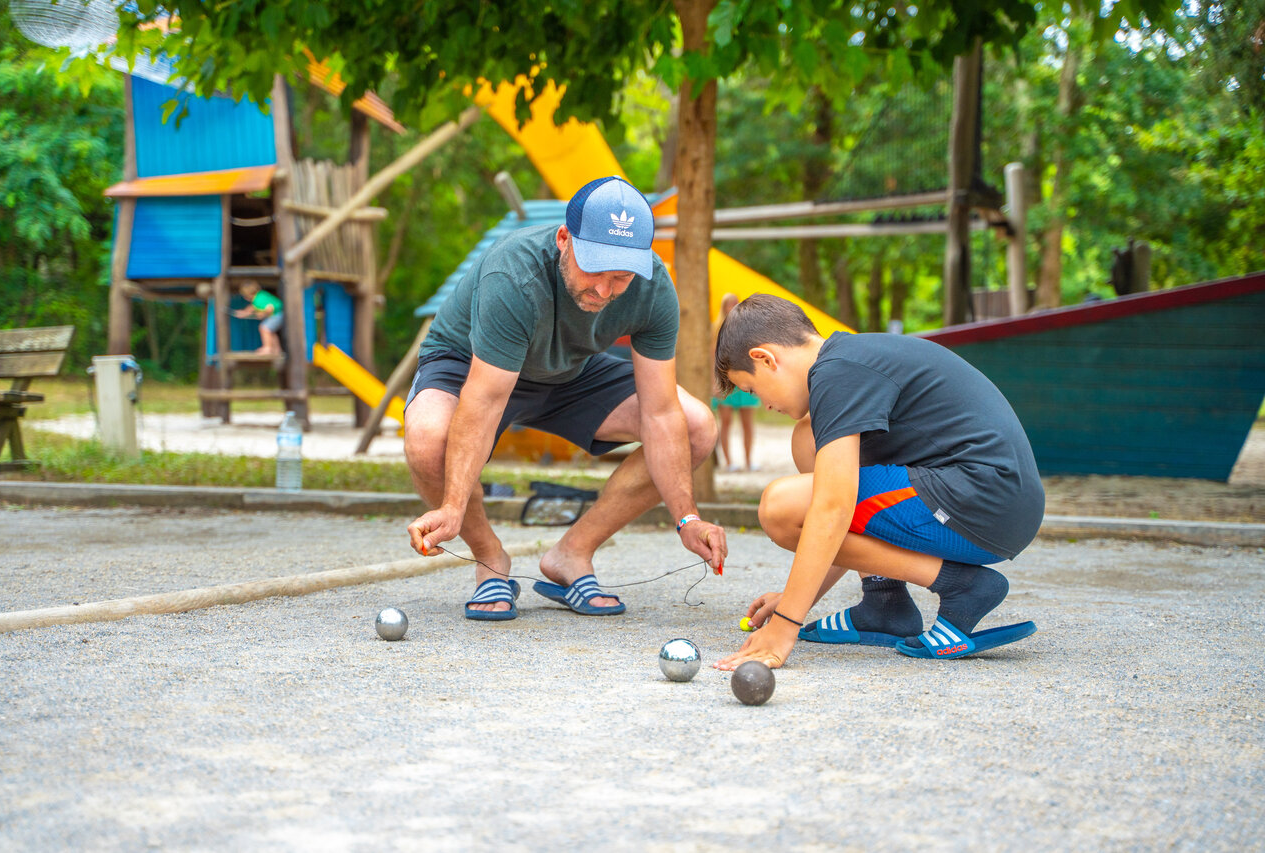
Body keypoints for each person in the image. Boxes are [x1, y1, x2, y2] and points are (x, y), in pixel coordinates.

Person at [404, 176, 728, 621]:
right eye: (593, 268)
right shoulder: (513, 275)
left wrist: (687, 517)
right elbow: (483, 400)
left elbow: (660, 411)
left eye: (620, 277)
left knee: (696, 426)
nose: (603, 289)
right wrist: (453, 506)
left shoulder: (652, 288)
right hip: (471, 364)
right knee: (427, 440)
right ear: (563, 239)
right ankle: (489, 559)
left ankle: (572, 554)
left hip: (570, 370)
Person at [711, 294, 1044, 669]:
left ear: (765, 358)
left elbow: (833, 508)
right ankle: (884, 602)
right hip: (990, 501)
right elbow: (841, 511)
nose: (763, 404)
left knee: (781, 509)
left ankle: (963, 587)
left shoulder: (837, 373)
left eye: (753, 390)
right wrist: (794, 595)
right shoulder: (847, 360)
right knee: (808, 440)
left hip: (984, 498)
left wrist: (786, 624)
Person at [711, 293, 759, 471]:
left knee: (747, 423)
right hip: (725, 382)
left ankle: (748, 461)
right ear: (723, 306)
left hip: (745, 381)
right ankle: (729, 462)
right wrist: (714, 382)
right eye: (728, 304)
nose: (732, 306)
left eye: (734, 303)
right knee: (726, 421)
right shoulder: (717, 330)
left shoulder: (747, 329)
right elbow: (712, 358)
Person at [233, 282, 283, 354]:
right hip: (279, 314)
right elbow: (252, 307)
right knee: (270, 332)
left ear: (247, 296)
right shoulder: (259, 296)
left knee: (264, 328)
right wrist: (243, 313)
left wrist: (263, 314)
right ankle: (276, 349)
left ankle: (267, 348)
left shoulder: (258, 299)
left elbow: (270, 308)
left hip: (277, 315)